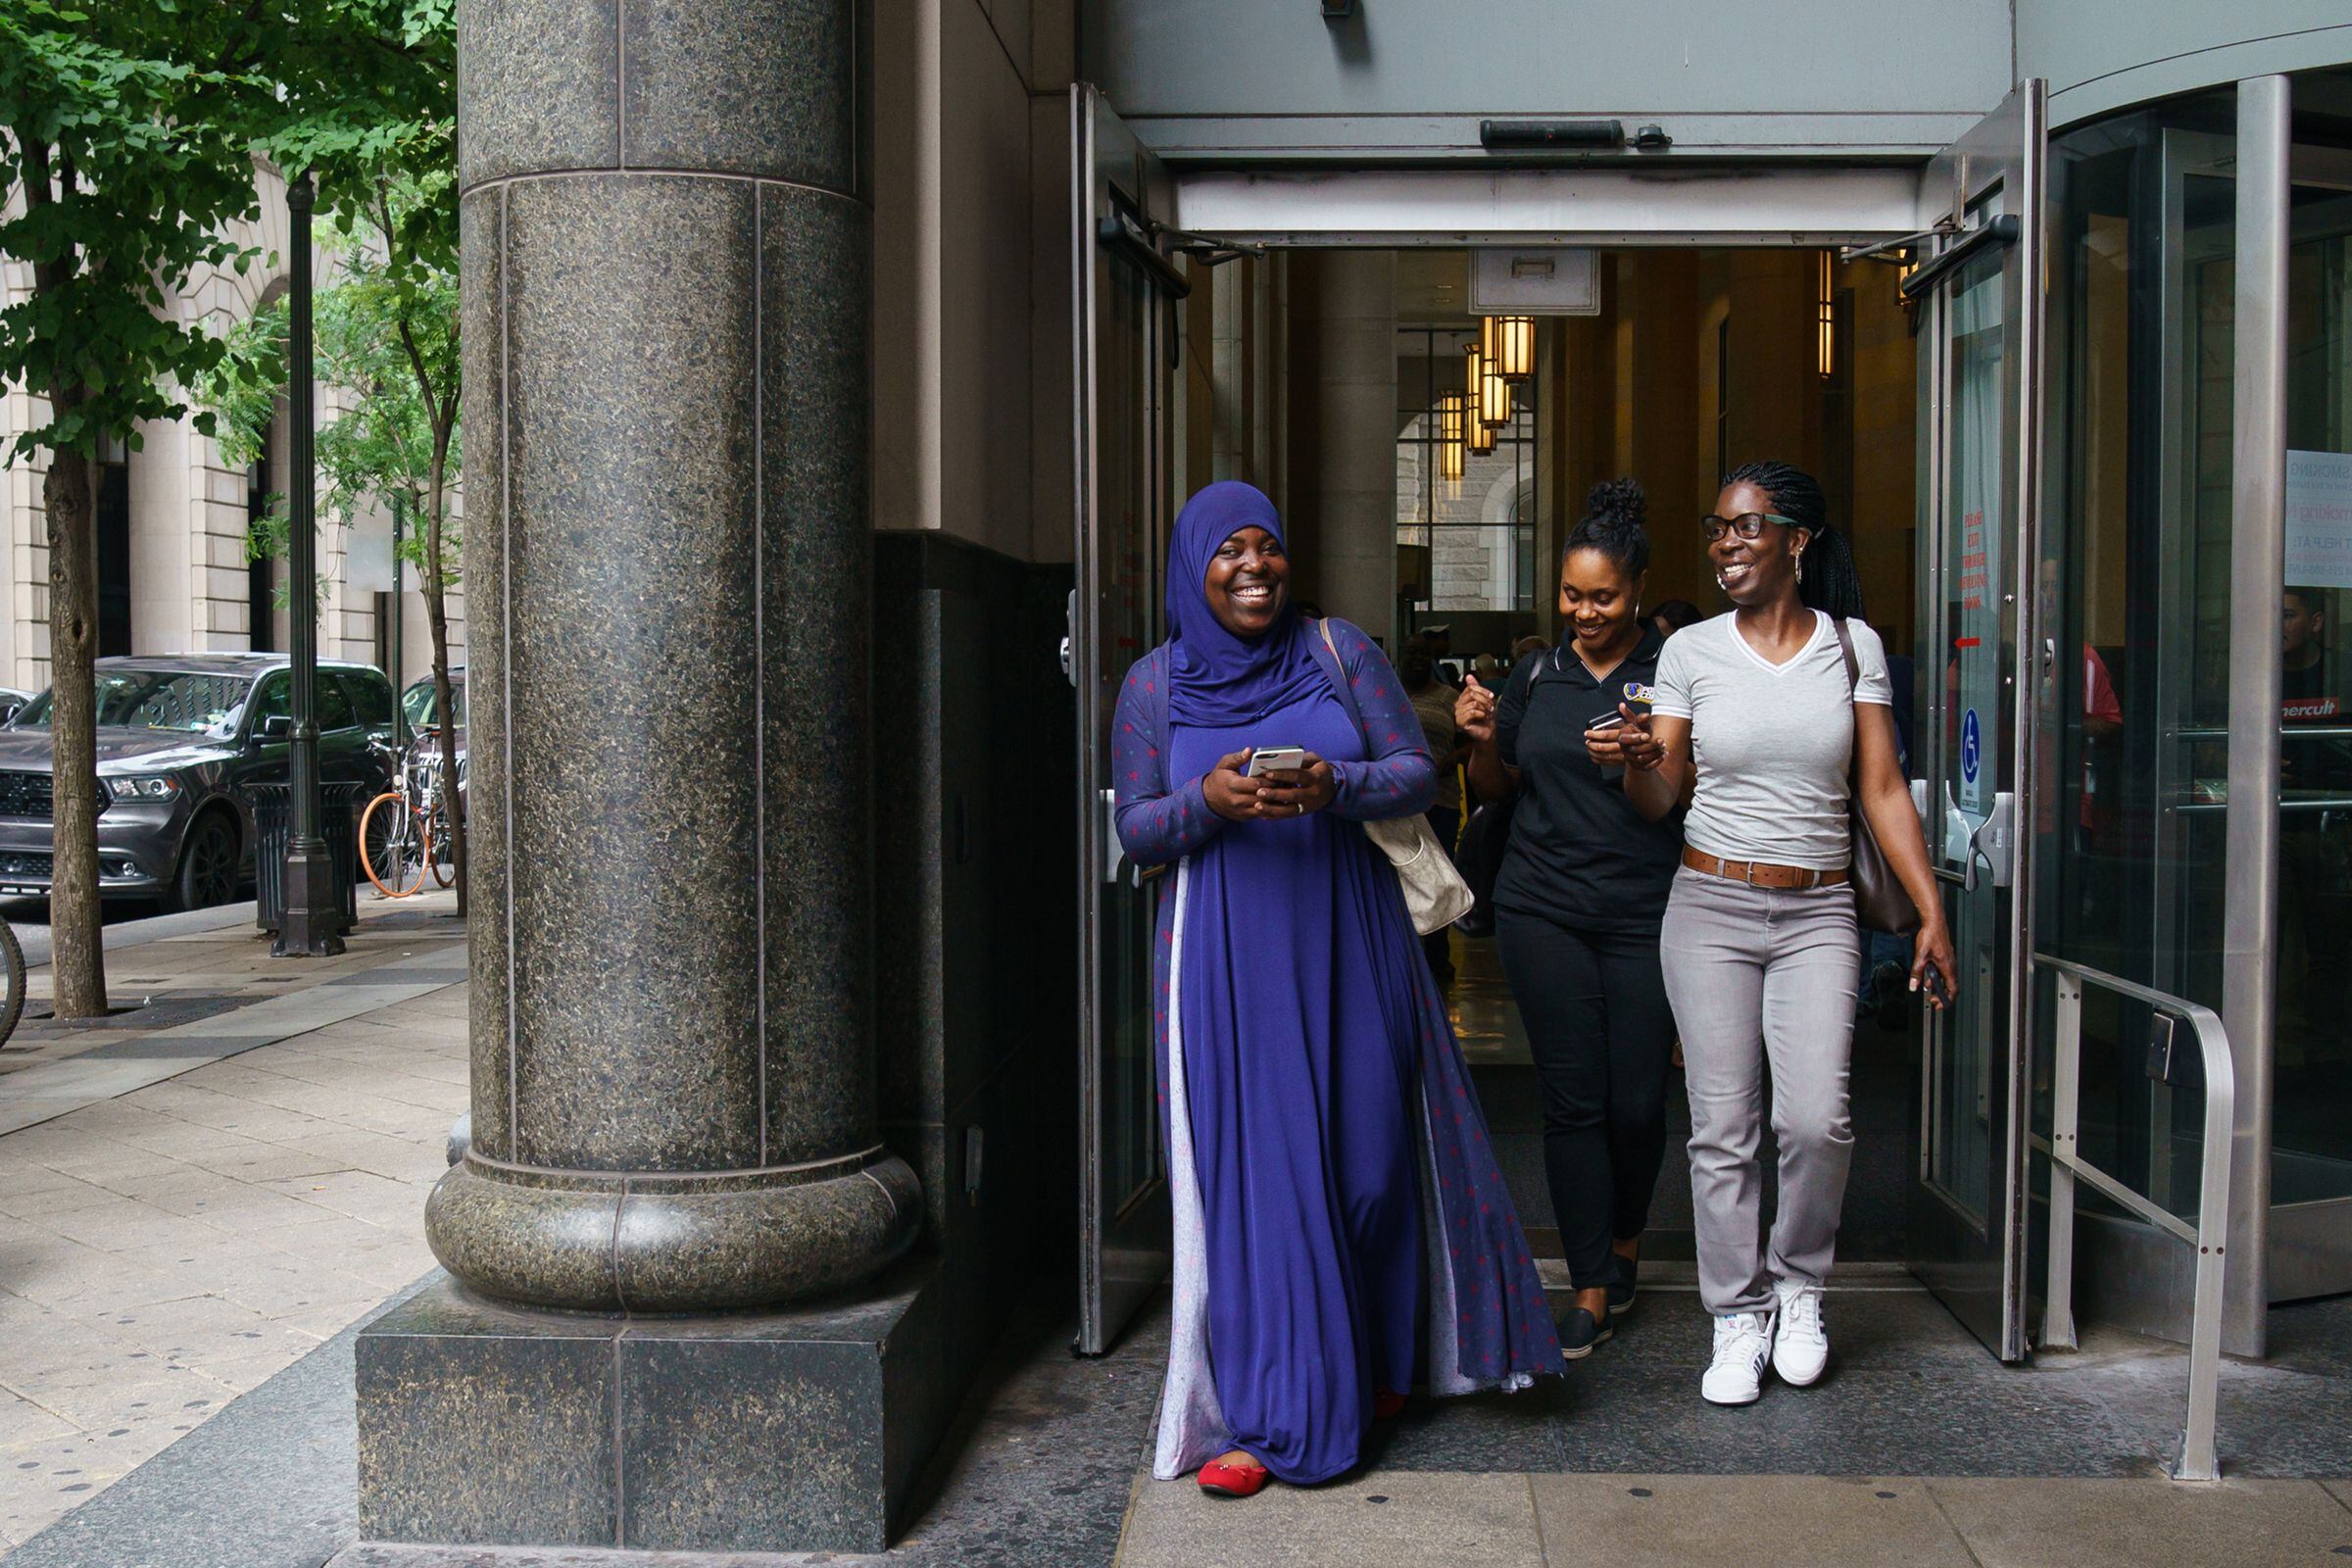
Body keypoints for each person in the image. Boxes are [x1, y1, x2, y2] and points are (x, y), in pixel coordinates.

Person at [1111, 481, 1559, 1498]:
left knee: (1370, 1168)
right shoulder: (1153, 686)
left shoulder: (1338, 651)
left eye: (1267, 546)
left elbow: (1414, 770)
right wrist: (1208, 800)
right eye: (1229, 550)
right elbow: (1136, 829)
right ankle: (1284, 1418)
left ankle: (1383, 1358)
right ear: (1193, 567)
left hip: (1353, 938)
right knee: (1267, 1190)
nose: (1254, 567)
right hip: (1227, 958)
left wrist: (1333, 785)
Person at [1617, 460, 1954, 1406]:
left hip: (1818, 913)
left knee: (1815, 1120)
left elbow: (1880, 788)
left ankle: (1799, 1288)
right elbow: (1658, 797)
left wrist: (1932, 909)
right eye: (1717, 527)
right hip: (1710, 906)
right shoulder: (1689, 651)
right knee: (1723, 1128)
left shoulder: (1851, 646)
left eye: (1746, 526)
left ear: (1797, 542)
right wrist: (1639, 759)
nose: (1725, 544)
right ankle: (1736, 1313)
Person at [1456, 478, 1686, 1360]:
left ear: (1638, 591)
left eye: (1604, 597)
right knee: (1572, 1100)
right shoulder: (1537, 673)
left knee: (1637, 1103)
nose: (1584, 613)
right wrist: (1482, 741)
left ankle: (1625, 1240)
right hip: (1541, 908)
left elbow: (1680, 795)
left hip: (1644, 911)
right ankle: (1588, 1283)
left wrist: (1641, 756)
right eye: (1571, 595)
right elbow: (1500, 790)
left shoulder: (1674, 673)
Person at [1401, 642, 1468, 984]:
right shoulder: (1388, 691)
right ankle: (1404, 964)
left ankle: (1437, 960)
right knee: (1401, 883)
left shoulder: (1449, 697)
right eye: (1411, 653)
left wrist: (1448, 761)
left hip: (1441, 801)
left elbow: (1470, 743)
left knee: (1437, 880)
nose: (1417, 659)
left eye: (1423, 654)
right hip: (1397, 805)